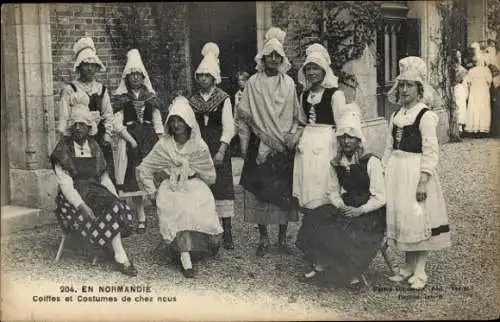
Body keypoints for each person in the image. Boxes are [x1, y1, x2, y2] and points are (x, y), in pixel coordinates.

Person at [383, 56, 451, 290]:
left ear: (419, 88)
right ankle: (408, 267)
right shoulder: (396, 115)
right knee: (404, 219)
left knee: (418, 219)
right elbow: (388, 147)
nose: (404, 90)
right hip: (397, 172)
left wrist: (423, 181)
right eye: (401, 85)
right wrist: (383, 172)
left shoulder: (425, 116)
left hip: (415, 173)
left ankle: (420, 271)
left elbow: (431, 152)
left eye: (409, 85)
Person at [296, 111, 386, 287]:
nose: (346, 141)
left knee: (350, 230)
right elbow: (333, 191)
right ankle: (320, 265)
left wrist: (359, 210)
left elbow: (381, 197)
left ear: (358, 140)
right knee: (315, 217)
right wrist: (340, 205)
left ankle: (348, 273)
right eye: (342, 137)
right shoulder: (337, 162)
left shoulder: (371, 162)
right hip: (347, 204)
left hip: (370, 210)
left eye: (350, 137)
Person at [235, 27, 304, 257]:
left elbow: (296, 116)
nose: (273, 59)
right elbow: (244, 116)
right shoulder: (253, 83)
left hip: (283, 146)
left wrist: (292, 138)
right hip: (259, 144)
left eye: (278, 55)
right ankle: (263, 238)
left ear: (282, 59)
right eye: (269, 55)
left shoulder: (290, 84)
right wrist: (245, 146)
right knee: (259, 192)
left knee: (283, 193)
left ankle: (282, 239)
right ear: (263, 58)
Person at [136, 96, 223, 278]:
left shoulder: (198, 145)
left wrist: (199, 181)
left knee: (200, 205)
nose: (176, 125)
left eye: (180, 120)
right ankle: (185, 258)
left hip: (193, 184)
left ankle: (204, 244)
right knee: (179, 209)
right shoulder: (164, 145)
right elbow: (145, 168)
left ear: (189, 122)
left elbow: (209, 174)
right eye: (173, 121)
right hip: (172, 186)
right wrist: (151, 191)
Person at [50, 109, 137, 276]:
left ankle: (117, 251)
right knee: (107, 208)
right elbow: (65, 185)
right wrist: (81, 205)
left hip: (95, 191)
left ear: (89, 128)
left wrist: (115, 197)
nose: (77, 128)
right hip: (71, 200)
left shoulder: (94, 146)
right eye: (74, 124)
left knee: (115, 205)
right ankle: (120, 256)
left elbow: (104, 179)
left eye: (82, 124)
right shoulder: (62, 149)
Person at [189, 42, 236, 250]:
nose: (203, 79)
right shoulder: (194, 100)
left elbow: (229, 127)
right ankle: (205, 230)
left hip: (218, 147)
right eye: (200, 76)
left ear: (214, 77)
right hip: (199, 147)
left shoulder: (223, 99)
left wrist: (222, 150)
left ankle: (227, 232)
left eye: (206, 76)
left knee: (222, 187)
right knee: (200, 187)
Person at [113, 49, 164, 234]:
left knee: (152, 177)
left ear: (143, 77)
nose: (135, 78)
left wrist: (160, 139)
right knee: (133, 179)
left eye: (138, 74)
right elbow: (117, 123)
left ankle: (163, 215)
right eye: (131, 75)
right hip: (130, 142)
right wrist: (129, 139)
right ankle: (139, 216)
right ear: (127, 77)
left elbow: (157, 121)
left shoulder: (150, 97)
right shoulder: (121, 99)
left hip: (149, 141)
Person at [293, 43, 348, 211]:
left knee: (325, 185)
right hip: (307, 144)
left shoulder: (335, 94)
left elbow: (342, 126)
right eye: (308, 69)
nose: (311, 73)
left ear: (324, 70)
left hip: (326, 143)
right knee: (309, 185)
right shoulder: (304, 95)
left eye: (315, 68)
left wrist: (340, 154)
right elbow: (302, 121)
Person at [57, 37, 116, 183]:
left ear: (97, 67)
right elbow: (64, 117)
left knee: (102, 174)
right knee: (80, 175)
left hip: (99, 137)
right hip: (78, 137)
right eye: (85, 64)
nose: (89, 68)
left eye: (92, 64)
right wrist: (65, 138)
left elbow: (108, 114)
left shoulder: (101, 89)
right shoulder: (71, 89)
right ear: (79, 66)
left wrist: (108, 134)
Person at [464, 42, 493, 137]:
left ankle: (474, 128)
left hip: (474, 91)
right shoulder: (486, 70)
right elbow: (489, 81)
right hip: (483, 91)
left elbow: (468, 82)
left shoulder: (471, 71)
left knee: (474, 108)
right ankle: (482, 129)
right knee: (483, 108)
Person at [231, 71, 250, 157]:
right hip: (237, 121)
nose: (240, 82)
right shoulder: (237, 94)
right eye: (239, 80)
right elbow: (235, 108)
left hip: (246, 122)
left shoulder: (250, 93)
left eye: (242, 80)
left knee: (244, 143)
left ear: (247, 81)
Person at [454, 64, 469, 136]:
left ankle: (460, 129)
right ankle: (459, 129)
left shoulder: (461, 86)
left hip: (461, 96)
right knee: (460, 110)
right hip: (459, 96)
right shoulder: (458, 87)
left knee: (461, 110)